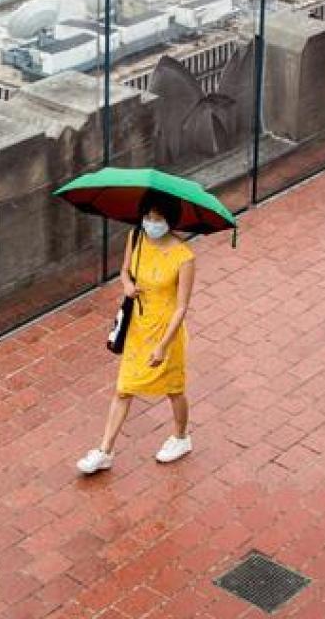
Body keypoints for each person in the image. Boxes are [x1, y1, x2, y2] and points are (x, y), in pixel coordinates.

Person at [77, 191, 196, 474]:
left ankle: (181, 437)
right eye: (147, 217)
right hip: (139, 330)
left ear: (169, 219)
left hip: (167, 333)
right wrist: (127, 285)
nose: (150, 223)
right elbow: (125, 271)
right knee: (123, 389)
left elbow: (181, 307)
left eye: (157, 218)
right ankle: (105, 450)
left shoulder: (184, 257)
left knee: (174, 390)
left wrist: (164, 346)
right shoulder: (136, 238)